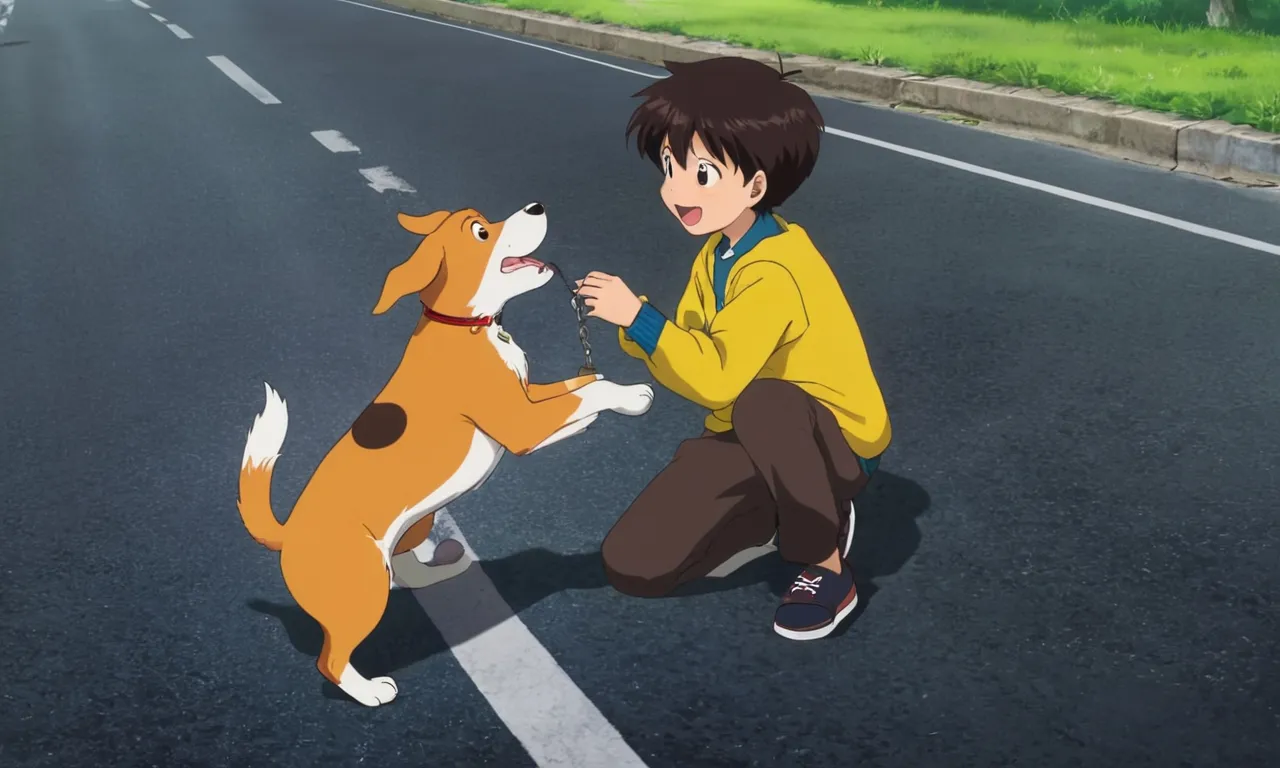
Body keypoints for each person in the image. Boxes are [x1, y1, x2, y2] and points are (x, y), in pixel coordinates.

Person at [574, 56, 891, 640]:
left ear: (755, 184)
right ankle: (776, 507)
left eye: (701, 173)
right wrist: (640, 326)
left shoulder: (776, 269)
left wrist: (640, 319)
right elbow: (694, 358)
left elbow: (719, 378)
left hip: (832, 439)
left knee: (765, 401)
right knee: (634, 563)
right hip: (745, 431)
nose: (675, 190)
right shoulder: (716, 254)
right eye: (669, 166)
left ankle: (824, 562)